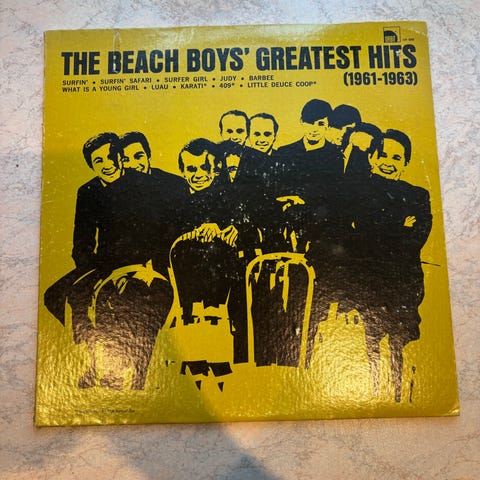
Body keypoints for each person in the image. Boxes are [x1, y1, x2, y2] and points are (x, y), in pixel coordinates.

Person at [349, 129, 432, 401]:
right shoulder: (359, 192)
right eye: (383, 155)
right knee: (369, 344)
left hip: (403, 287)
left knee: (401, 347)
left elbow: (416, 239)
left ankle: (399, 396)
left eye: (396, 158)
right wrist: (399, 226)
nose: (388, 162)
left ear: (405, 163)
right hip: (367, 286)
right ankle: (372, 395)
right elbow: (360, 237)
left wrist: (378, 231)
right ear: (372, 158)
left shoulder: (417, 196)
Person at [44, 132, 123, 388]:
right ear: (91, 165)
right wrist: (89, 270)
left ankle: (112, 369)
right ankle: (89, 355)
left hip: (133, 262)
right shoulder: (88, 191)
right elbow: (82, 239)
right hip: (100, 264)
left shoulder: (137, 185)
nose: (108, 164)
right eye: (99, 160)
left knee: (108, 302)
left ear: (121, 156)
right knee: (56, 295)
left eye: (111, 156)